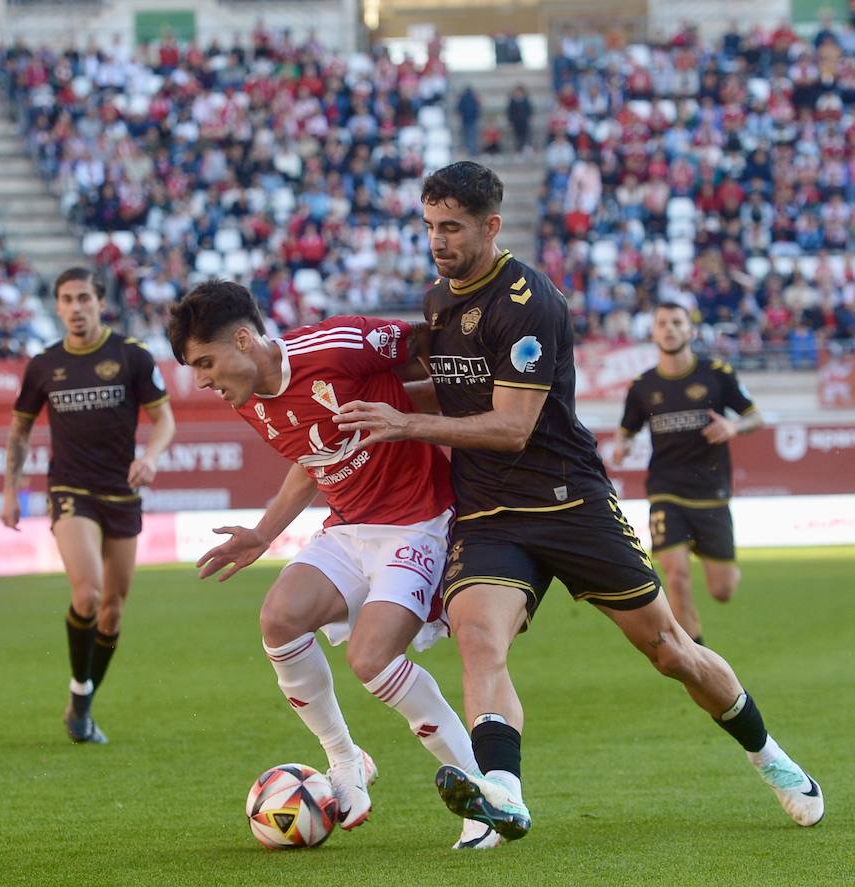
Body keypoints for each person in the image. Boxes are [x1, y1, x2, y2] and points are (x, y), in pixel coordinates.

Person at [336, 161, 823, 841]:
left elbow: (511, 426)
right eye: (428, 227)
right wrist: (372, 405)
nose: (437, 240)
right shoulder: (436, 300)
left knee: (670, 651)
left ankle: (771, 759)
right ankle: (502, 794)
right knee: (478, 640)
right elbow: (448, 388)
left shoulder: (528, 301)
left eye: (451, 227)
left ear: (491, 226)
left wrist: (403, 423)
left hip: (569, 502)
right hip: (489, 511)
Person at [166, 280, 500, 850]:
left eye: (205, 362)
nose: (201, 379)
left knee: (369, 658)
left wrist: (416, 404)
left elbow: (427, 342)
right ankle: (346, 762)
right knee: (278, 619)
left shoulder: (338, 344)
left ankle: (484, 797)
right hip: (348, 530)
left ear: (243, 340)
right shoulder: (249, 400)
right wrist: (264, 532)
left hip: (417, 522)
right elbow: (310, 459)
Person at [3, 267, 176, 745]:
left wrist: (151, 456)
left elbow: (164, 422)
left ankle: (81, 707)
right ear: (57, 307)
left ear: (100, 302)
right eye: (66, 299)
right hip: (70, 490)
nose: (75, 307)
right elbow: (20, 431)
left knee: (113, 613)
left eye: (83, 298)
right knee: (89, 595)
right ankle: (79, 687)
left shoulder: (131, 356)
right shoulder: (43, 365)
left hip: (121, 492)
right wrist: (9, 488)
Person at [610, 301, 764, 645]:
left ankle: (712, 557)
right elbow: (627, 430)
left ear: (690, 330)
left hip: (711, 490)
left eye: (676, 322)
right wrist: (621, 445)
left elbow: (756, 416)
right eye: (662, 323)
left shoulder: (717, 373)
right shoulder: (642, 386)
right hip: (666, 489)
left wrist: (734, 426)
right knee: (675, 576)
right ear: (653, 332)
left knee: (722, 590)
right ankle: (696, 654)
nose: (669, 329)